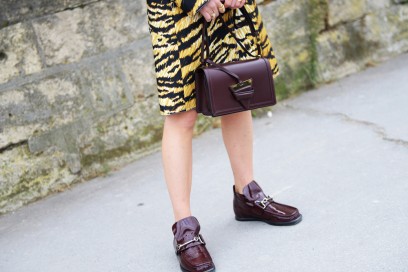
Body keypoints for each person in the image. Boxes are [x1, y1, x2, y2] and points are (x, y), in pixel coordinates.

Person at [146, 0, 302, 271]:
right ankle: (185, 229)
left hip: (233, 10)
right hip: (176, 12)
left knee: (237, 89)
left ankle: (247, 196)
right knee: (181, 115)